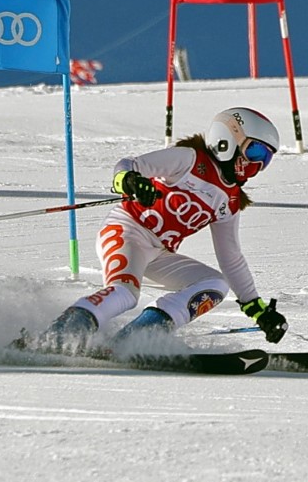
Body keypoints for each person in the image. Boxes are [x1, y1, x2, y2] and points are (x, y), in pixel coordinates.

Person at [18, 107, 288, 357]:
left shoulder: (229, 200)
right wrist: (130, 181)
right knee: (124, 294)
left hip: (158, 253)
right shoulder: (189, 160)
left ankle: (138, 337)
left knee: (215, 284)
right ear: (227, 139)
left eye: (266, 159)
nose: (257, 165)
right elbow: (128, 165)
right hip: (127, 231)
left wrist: (255, 308)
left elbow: (231, 257)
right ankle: (59, 334)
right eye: (255, 153)